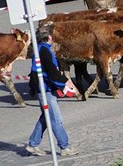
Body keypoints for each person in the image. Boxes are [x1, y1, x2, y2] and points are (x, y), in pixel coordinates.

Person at [26, 26, 79, 157]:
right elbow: (51, 72)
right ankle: (65, 147)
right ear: (49, 37)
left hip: (42, 89)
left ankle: (33, 144)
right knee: (56, 119)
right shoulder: (44, 51)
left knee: (46, 117)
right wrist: (66, 82)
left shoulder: (40, 49)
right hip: (46, 90)